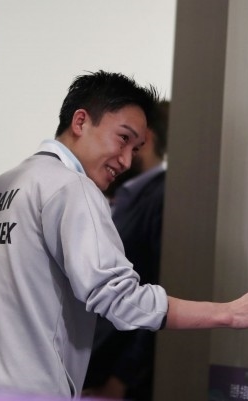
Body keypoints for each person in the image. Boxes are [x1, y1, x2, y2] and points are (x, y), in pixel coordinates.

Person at [0, 70, 248, 399]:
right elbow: (121, 299)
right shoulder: (72, 188)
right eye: (123, 138)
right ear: (80, 121)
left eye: (136, 147)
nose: (127, 161)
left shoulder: (2, 186)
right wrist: (230, 313)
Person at [82, 100, 169, 401]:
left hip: (119, 384)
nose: (122, 160)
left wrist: (121, 380)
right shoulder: (120, 199)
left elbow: (157, 291)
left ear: (147, 140)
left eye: (127, 142)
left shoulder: (162, 198)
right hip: (93, 372)